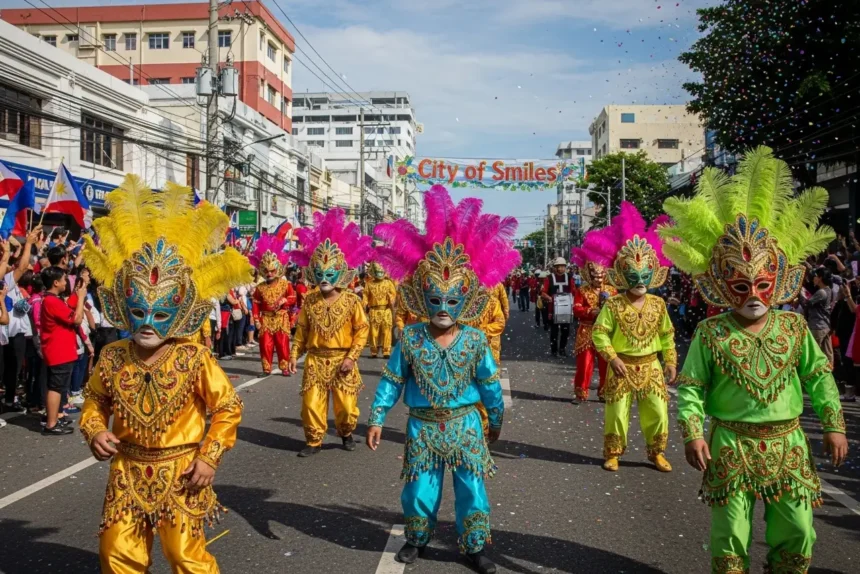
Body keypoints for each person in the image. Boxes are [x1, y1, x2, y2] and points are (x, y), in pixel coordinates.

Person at [662, 146, 848, 573]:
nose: (753, 296)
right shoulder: (711, 333)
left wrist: (834, 425)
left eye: (762, 284)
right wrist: (693, 434)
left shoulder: (795, 328)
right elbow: (691, 389)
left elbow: (819, 377)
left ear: (780, 280)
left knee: (799, 531)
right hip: (730, 443)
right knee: (730, 538)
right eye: (740, 285)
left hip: (789, 443)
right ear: (720, 285)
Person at [79, 176, 250, 572]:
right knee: (117, 554)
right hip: (127, 469)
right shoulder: (113, 355)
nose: (148, 324)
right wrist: (95, 429)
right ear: (123, 308)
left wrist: (208, 457)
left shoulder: (194, 358)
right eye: (139, 313)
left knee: (184, 557)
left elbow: (227, 406)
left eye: (160, 315)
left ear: (181, 313)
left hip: (182, 471)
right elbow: (94, 399)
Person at [367, 185, 517, 573]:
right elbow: (391, 377)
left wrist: (496, 419)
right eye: (436, 300)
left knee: (472, 489)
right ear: (422, 296)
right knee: (419, 490)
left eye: (453, 301)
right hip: (423, 426)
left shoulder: (475, 338)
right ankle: (417, 539)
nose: (444, 309)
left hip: (466, 423)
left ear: (466, 299)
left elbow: (489, 382)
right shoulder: (412, 337)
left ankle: (475, 547)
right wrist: (378, 417)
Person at [591, 203, 677, 473]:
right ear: (622, 276)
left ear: (653, 274)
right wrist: (612, 358)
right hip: (621, 366)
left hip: (651, 366)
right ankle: (613, 452)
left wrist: (671, 361)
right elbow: (599, 332)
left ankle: (657, 452)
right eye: (633, 275)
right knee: (616, 413)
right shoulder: (613, 305)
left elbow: (667, 334)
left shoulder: (658, 304)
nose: (640, 280)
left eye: (644, 275)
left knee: (658, 413)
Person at [287, 208, 372, 457]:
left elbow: (362, 329)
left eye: (330, 274)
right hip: (315, 360)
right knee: (311, 404)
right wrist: (294, 354)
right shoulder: (310, 300)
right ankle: (313, 441)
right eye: (320, 274)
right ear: (313, 273)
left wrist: (351, 357)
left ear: (341, 273)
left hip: (342, 359)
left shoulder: (351, 301)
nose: (325, 278)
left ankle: (345, 432)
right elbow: (301, 330)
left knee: (346, 407)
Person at [39, 266, 88, 434]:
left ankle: (56, 416)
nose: (66, 282)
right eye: (64, 279)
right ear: (56, 282)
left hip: (61, 350)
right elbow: (76, 319)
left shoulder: (54, 299)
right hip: (58, 351)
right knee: (56, 386)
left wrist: (80, 290)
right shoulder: (51, 301)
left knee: (59, 386)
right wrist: (81, 298)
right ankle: (51, 424)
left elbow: (69, 305)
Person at [570, 238, 617, 403]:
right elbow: (576, 309)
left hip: (605, 331)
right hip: (586, 330)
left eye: (601, 276)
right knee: (584, 365)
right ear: (589, 275)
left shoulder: (612, 291)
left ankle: (604, 392)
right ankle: (580, 393)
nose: (598, 279)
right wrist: (590, 311)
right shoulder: (582, 290)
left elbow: (618, 310)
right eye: (595, 276)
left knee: (606, 364)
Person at [249, 235, 296, 376]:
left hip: (281, 318)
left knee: (282, 344)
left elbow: (293, 297)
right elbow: (256, 303)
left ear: (277, 270)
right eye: (267, 271)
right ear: (263, 271)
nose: (269, 274)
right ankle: (266, 368)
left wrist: (284, 301)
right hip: (266, 320)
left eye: (272, 271)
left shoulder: (285, 284)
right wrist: (256, 319)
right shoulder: (260, 287)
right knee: (265, 345)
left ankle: (284, 367)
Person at [540, 257, 575, 356]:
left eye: (562, 266)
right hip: (553, 309)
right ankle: (554, 350)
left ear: (565, 267)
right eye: (558, 267)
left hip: (566, 309)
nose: (560, 269)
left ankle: (562, 349)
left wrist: (573, 299)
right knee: (554, 332)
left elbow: (574, 291)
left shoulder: (569, 277)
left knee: (565, 331)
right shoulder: (549, 278)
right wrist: (549, 298)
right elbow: (543, 293)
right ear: (554, 268)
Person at [800, 267, 835, 366]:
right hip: (825, 326)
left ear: (820, 278)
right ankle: (829, 374)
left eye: (815, 276)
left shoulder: (822, 292)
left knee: (814, 352)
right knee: (827, 352)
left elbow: (807, 304)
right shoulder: (828, 290)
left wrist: (799, 292)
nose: (813, 279)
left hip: (817, 326)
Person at [363, 261, 397, 358]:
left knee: (387, 332)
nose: (380, 274)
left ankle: (386, 351)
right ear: (374, 272)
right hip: (374, 310)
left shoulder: (388, 283)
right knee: (373, 333)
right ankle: (374, 351)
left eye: (382, 272)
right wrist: (364, 303)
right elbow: (365, 295)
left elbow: (394, 294)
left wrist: (391, 297)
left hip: (386, 310)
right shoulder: (369, 284)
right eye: (378, 272)